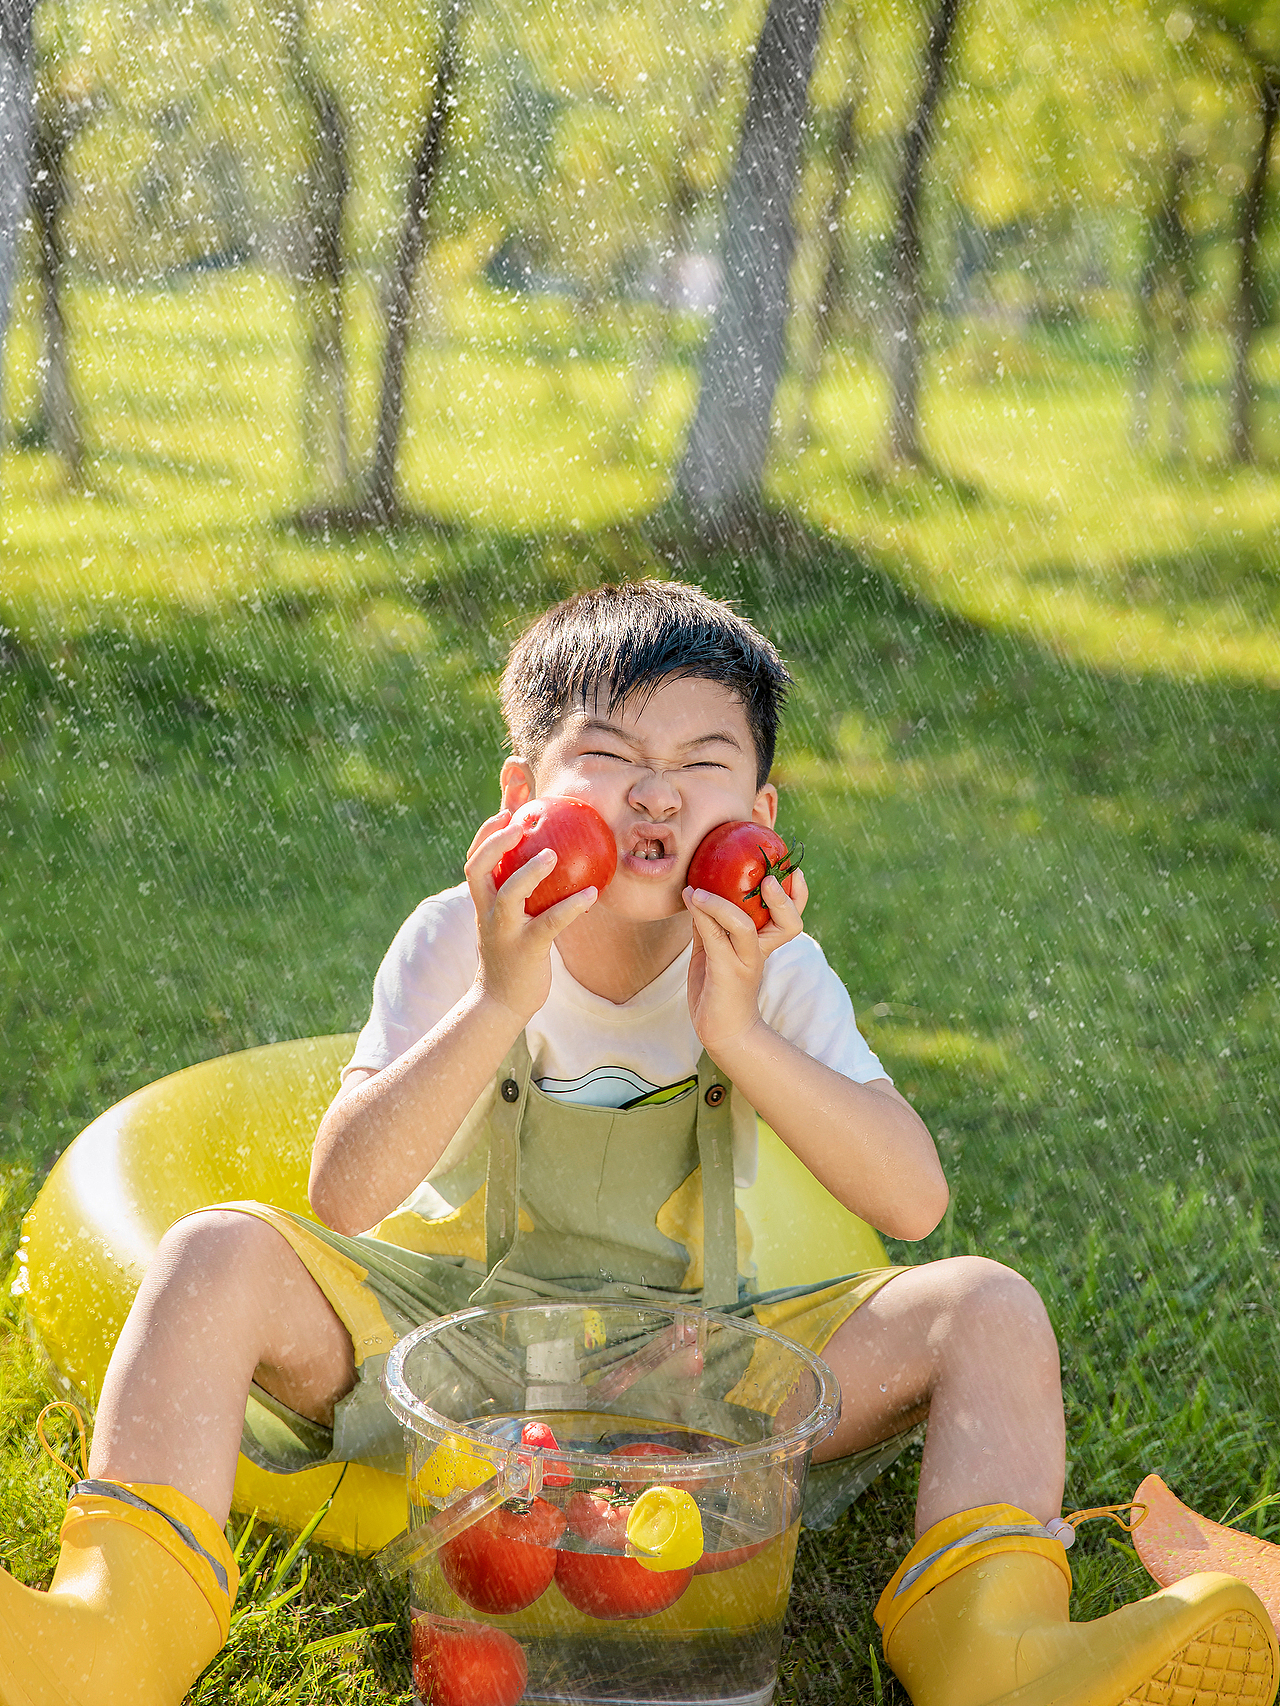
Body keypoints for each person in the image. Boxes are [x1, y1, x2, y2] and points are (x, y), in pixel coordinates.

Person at [2, 579, 1276, 1706]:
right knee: (216, 1252)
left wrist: (742, 1030)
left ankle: (994, 1649)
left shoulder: (771, 967)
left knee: (986, 1305)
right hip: (447, 1357)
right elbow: (345, 1190)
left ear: (761, 810)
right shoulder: (458, 938)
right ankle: (113, 1633)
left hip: (707, 1368)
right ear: (521, 796)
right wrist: (501, 999)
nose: (657, 789)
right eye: (607, 752)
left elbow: (911, 1201)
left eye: (704, 760)